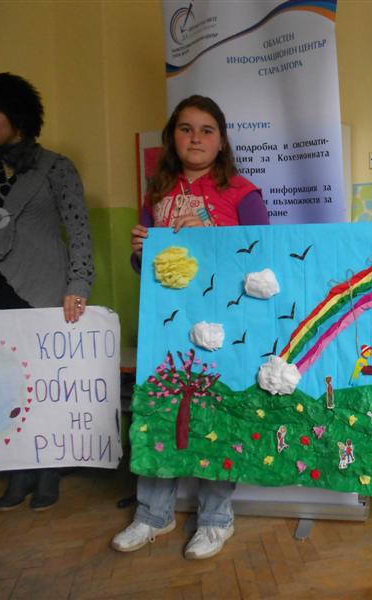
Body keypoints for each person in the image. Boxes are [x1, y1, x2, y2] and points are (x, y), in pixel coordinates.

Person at [112, 95, 269, 560]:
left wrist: (208, 237)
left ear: (221, 142)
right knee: (158, 409)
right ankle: (152, 514)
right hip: (168, 322)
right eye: (185, 129)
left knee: (218, 414)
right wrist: (141, 252)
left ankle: (216, 520)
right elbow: (147, 269)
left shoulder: (243, 193)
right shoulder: (157, 193)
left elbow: (261, 260)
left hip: (223, 324)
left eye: (206, 130)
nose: (195, 138)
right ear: (172, 138)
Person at [0, 72, 94, 511]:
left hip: (46, 288)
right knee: (5, 385)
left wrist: (79, 285)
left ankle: (48, 469)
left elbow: (79, 231)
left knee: (46, 384)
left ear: (17, 116)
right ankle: (19, 470)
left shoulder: (56, 167)